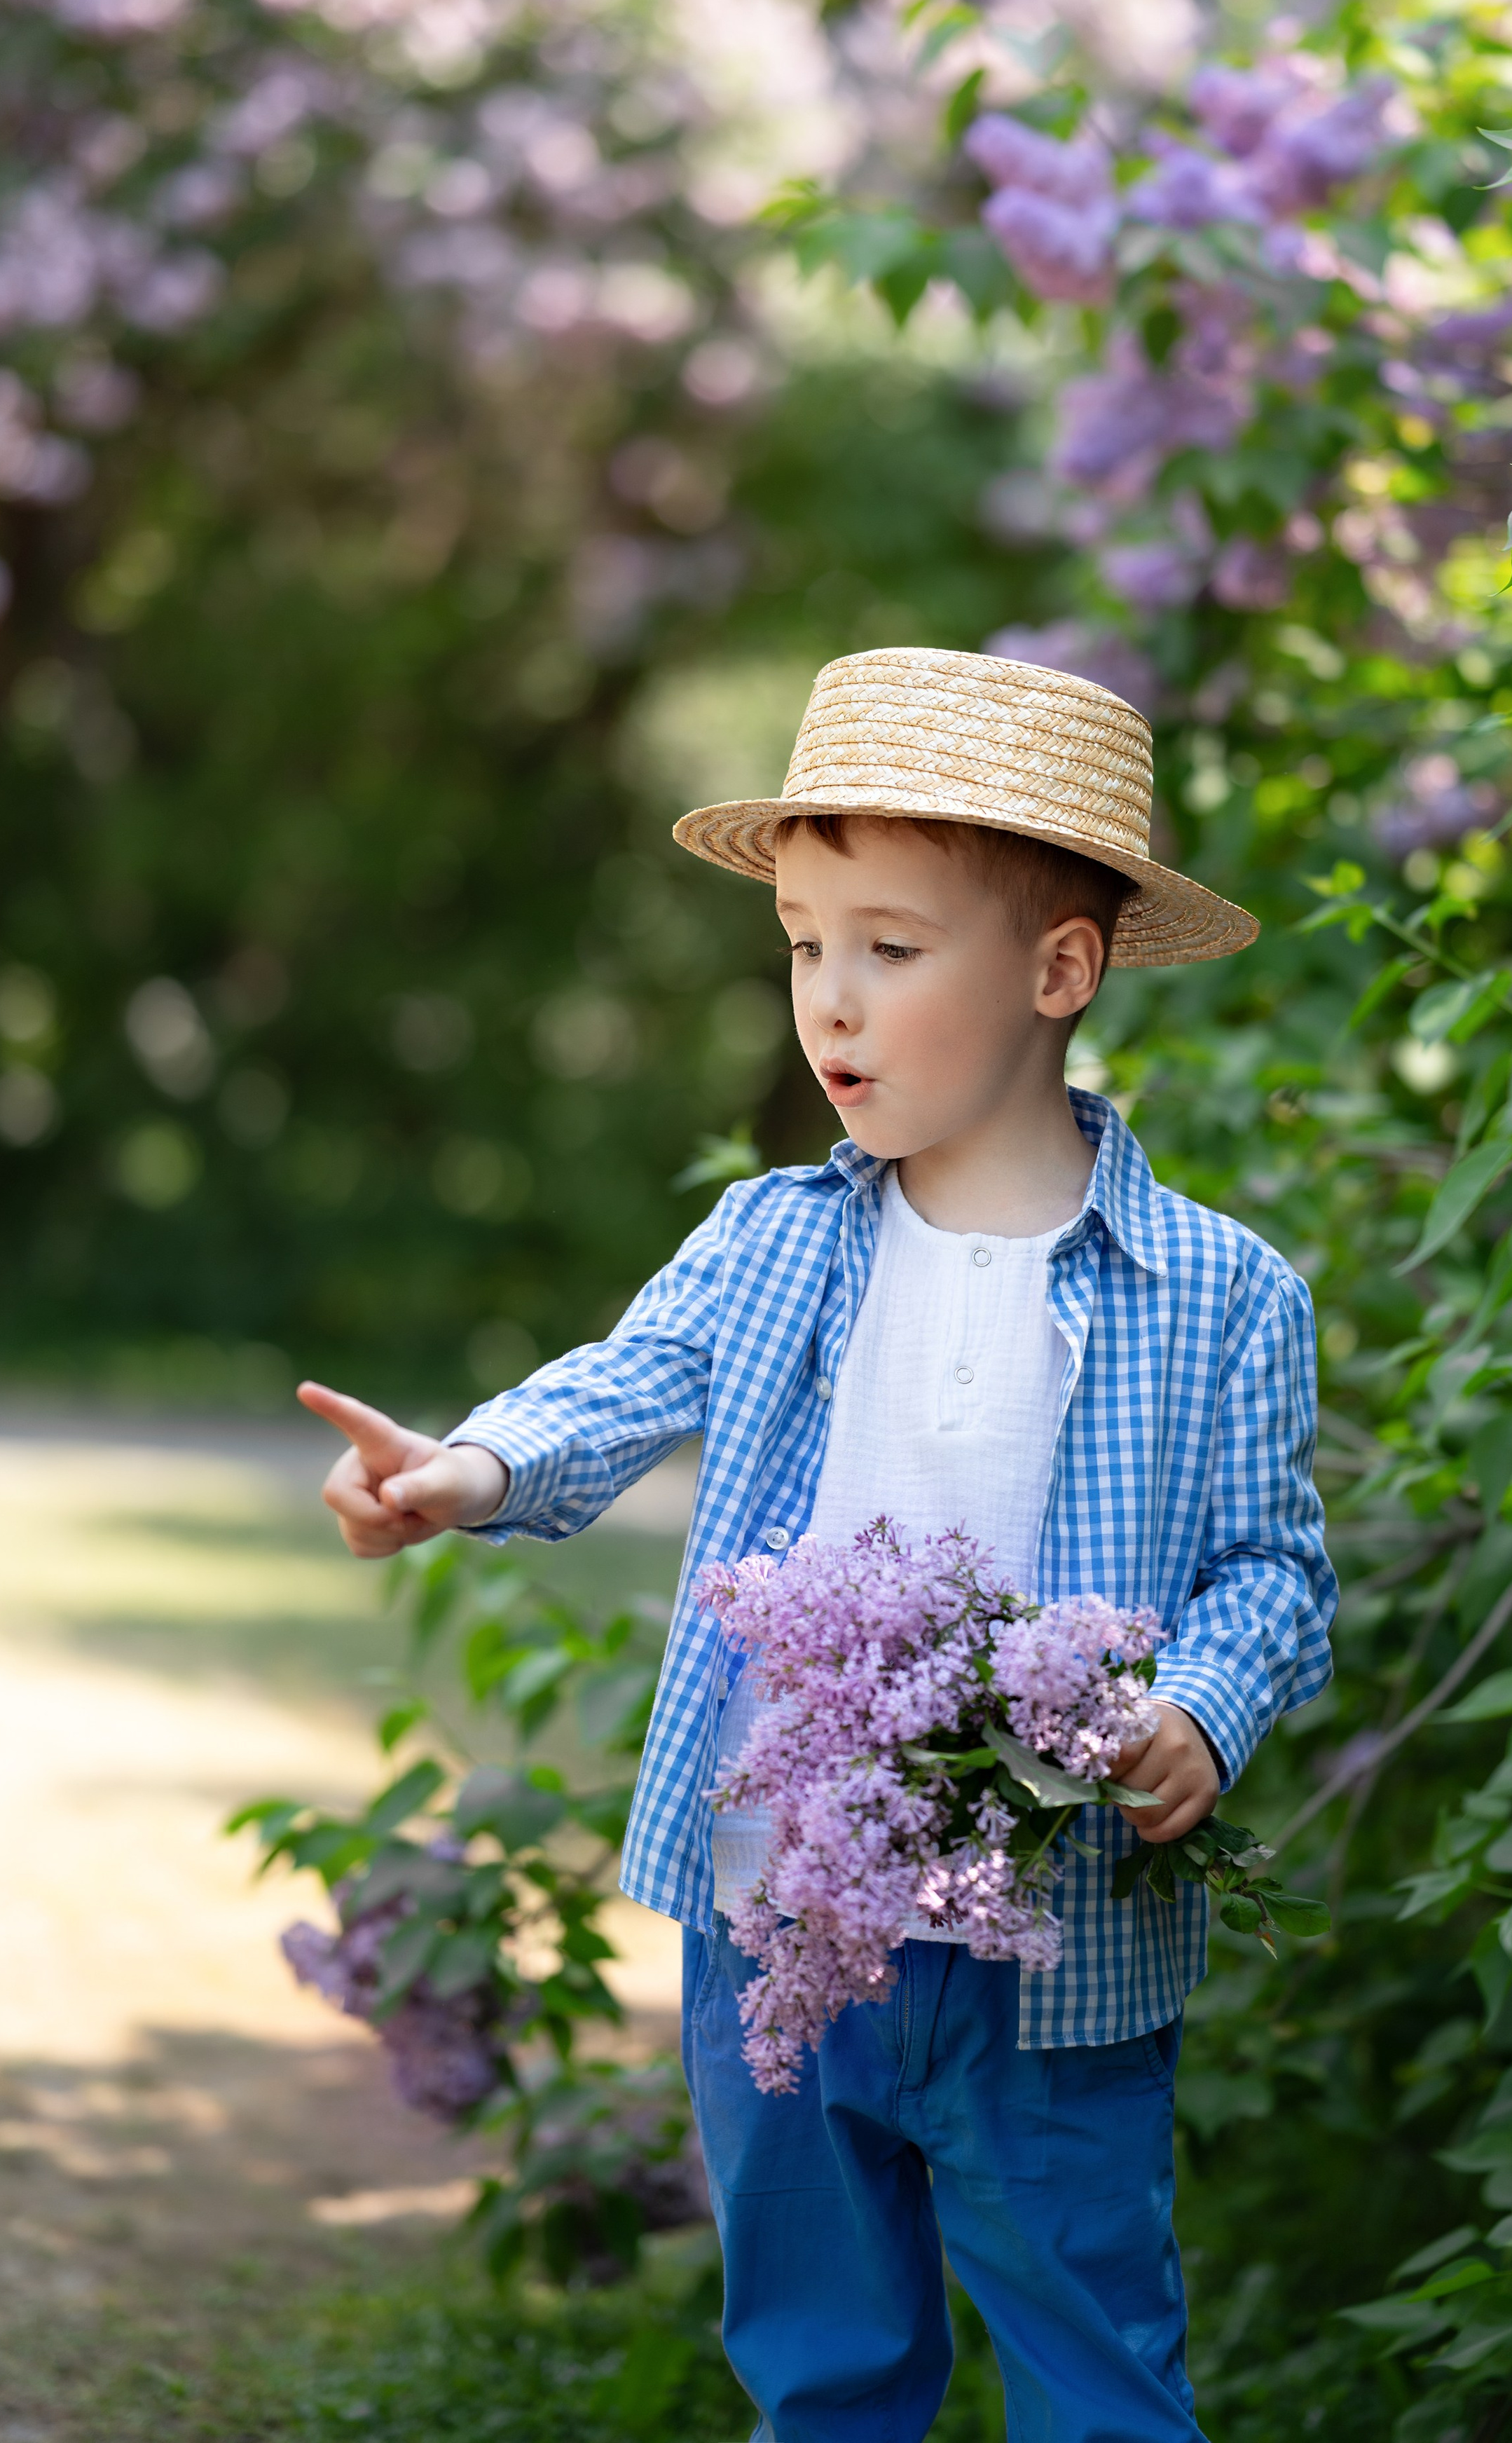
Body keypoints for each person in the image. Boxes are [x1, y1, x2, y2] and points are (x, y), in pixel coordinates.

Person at [301, 643, 1335, 2443]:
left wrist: (1204, 1709)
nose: (826, 1003)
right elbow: (624, 1387)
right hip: (776, 1900)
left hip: (1055, 1934)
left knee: (1098, 2363)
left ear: (1057, 969)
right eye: (798, 942)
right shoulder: (776, 1234)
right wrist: (467, 1471)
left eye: (888, 945)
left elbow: (1273, 1571)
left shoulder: (1222, 1293)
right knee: (822, 2361)